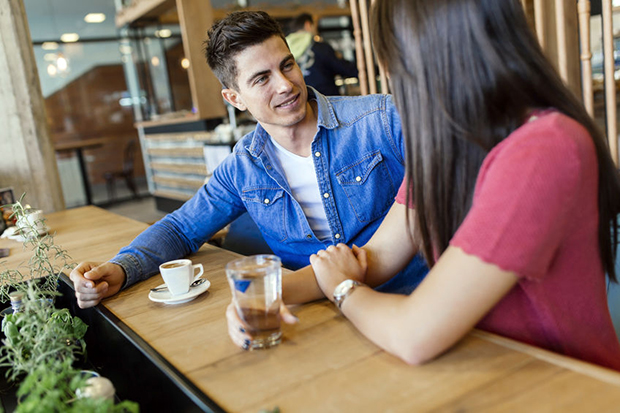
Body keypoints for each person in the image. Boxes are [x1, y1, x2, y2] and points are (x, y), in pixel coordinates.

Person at [228, 0, 620, 371]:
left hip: (563, 382)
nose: (393, 79)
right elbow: (376, 258)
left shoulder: (544, 148)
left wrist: (345, 289)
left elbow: (414, 333)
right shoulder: (453, 145)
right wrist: (263, 294)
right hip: (476, 365)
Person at [70, 11, 427, 309]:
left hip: (413, 301)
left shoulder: (381, 119)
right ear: (234, 98)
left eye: (287, 66)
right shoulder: (244, 167)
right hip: (317, 316)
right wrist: (121, 268)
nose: (285, 85)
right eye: (262, 79)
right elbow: (181, 228)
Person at [285, 13, 358, 96]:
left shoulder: (285, 49)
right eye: (314, 26)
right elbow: (344, 68)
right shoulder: (320, 48)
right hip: (326, 99)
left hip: (302, 100)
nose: (316, 31)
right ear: (308, 25)